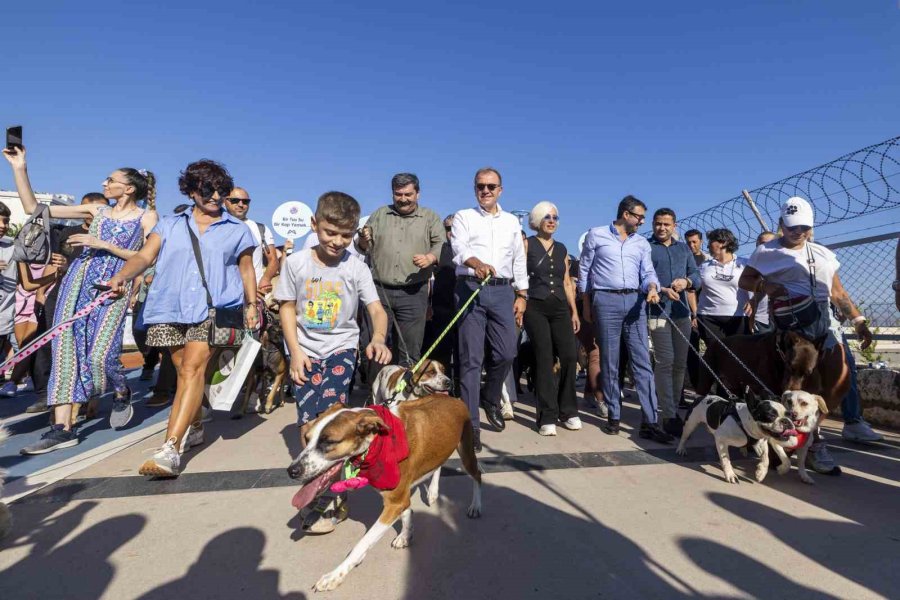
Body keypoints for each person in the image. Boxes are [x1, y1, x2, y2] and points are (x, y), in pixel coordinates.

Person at [107, 159, 258, 477]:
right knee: (182, 372)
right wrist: (121, 276)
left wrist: (252, 304)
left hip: (212, 309)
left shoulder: (237, 230)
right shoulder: (169, 225)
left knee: (192, 370)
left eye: (222, 190)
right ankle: (198, 423)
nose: (216, 196)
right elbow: (145, 256)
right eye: (207, 188)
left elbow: (246, 269)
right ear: (190, 190)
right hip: (167, 308)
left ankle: (171, 449)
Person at [4, 147, 158, 455]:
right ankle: (62, 429)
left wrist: (102, 244)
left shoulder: (146, 217)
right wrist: (20, 168)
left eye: (110, 180)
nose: (104, 183)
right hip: (76, 284)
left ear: (127, 188)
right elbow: (35, 208)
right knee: (65, 354)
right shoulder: (96, 211)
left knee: (101, 357)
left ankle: (121, 388)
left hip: (113, 287)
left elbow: (147, 257)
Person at [275, 191, 391, 534]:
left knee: (331, 412)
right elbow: (286, 307)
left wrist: (378, 338)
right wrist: (294, 351)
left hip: (341, 349)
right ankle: (316, 476)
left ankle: (331, 496)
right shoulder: (296, 263)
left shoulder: (356, 268)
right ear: (315, 225)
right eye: (330, 232)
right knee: (309, 422)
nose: (337, 241)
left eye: (346, 235)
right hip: (304, 351)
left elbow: (375, 310)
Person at [739, 196, 880, 471]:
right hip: (791, 329)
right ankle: (809, 444)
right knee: (800, 387)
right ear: (781, 225)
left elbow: (838, 292)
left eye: (803, 227)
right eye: (791, 227)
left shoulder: (823, 254)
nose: (797, 232)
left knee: (837, 382)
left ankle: (809, 436)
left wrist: (859, 321)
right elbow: (746, 280)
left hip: (824, 323)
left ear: (812, 228)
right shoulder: (766, 252)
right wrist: (766, 287)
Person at [578, 195, 672, 443]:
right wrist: (586, 303)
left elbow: (647, 271)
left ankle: (650, 421)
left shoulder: (641, 243)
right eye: (639, 216)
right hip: (605, 301)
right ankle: (613, 416)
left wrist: (652, 286)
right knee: (610, 360)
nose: (642, 221)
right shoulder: (596, 235)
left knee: (642, 361)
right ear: (626, 215)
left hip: (635, 302)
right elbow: (585, 271)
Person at [451, 167, 527, 451]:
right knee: (470, 359)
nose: (485, 191)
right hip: (471, 287)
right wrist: (475, 263)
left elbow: (518, 259)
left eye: (491, 186)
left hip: (503, 290)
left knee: (508, 351)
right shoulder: (464, 217)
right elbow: (457, 247)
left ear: (500, 190)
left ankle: (490, 396)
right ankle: (470, 427)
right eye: (480, 186)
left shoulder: (510, 222)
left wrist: (523, 294)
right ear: (474, 189)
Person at [357, 173, 445, 368]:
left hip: (413, 292)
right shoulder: (379, 214)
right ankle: (375, 394)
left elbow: (441, 243)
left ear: (418, 194)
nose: (403, 199)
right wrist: (363, 239)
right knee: (374, 344)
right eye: (398, 194)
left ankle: (405, 396)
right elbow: (363, 246)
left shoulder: (430, 217)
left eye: (408, 194)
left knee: (410, 348)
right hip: (378, 291)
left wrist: (430, 257)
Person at [522, 201, 580, 436]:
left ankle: (568, 410)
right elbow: (519, 274)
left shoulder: (563, 248)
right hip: (535, 306)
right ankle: (546, 415)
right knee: (544, 358)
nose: (552, 221)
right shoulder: (527, 244)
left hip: (559, 308)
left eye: (555, 217)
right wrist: (520, 299)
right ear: (537, 220)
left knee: (569, 356)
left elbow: (567, 282)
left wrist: (574, 311)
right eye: (547, 217)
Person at [647, 208, 700, 436]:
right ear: (653, 224)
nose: (662, 228)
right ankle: (668, 414)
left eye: (667, 224)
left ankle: (673, 407)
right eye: (658, 223)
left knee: (680, 364)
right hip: (657, 312)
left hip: (681, 313)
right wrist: (661, 288)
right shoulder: (646, 248)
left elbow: (697, 277)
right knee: (665, 361)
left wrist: (686, 281)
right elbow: (641, 276)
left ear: (674, 226)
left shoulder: (683, 249)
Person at [695, 228, 752, 349]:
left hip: (738, 317)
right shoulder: (704, 266)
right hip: (708, 317)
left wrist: (753, 301)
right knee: (717, 353)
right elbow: (692, 289)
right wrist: (694, 312)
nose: (708, 245)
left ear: (723, 243)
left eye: (711, 241)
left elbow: (757, 285)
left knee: (739, 353)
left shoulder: (744, 264)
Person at [422, 214, 459, 391]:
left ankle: (459, 389)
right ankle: (442, 389)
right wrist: (428, 305)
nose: (452, 232)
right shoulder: (439, 249)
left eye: (455, 228)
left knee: (463, 353)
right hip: (440, 308)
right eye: (448, 229)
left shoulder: (470, 249)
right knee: (442, 352)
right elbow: (428, 279)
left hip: (464, 308)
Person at [223, 187, 278, 298]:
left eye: (245, 201)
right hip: (224, 295)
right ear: (225, 202)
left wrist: (265, 279)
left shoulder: (261, 228)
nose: (240, 204)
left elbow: (273, 259)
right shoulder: (216, 228)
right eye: (235, 200)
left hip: (254, 295)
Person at [747, 231, 777, 333]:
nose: (767, 247)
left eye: (771, 243)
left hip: (783, 318)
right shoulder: (749, 268)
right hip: (760, 322)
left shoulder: (785, 266)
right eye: (763, 244)